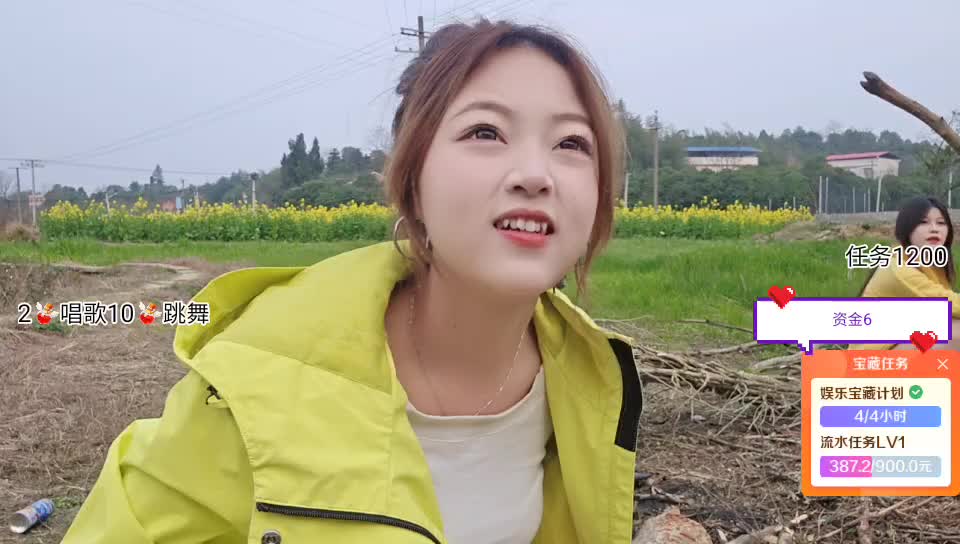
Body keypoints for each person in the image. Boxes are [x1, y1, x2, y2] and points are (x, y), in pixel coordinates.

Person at [62, 18, 644, 544]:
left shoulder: (590, 381)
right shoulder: (260, 380)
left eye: (571, 143)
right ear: (412, 179)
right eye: (486, 133)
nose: (536, 174)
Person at [849, 196, 960, 351]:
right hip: (872, 356)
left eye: (941, 223)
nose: (934, 229)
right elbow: (948, 302)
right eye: (924, 222)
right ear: (907, 228)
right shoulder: (897, 267)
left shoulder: (932, 264)